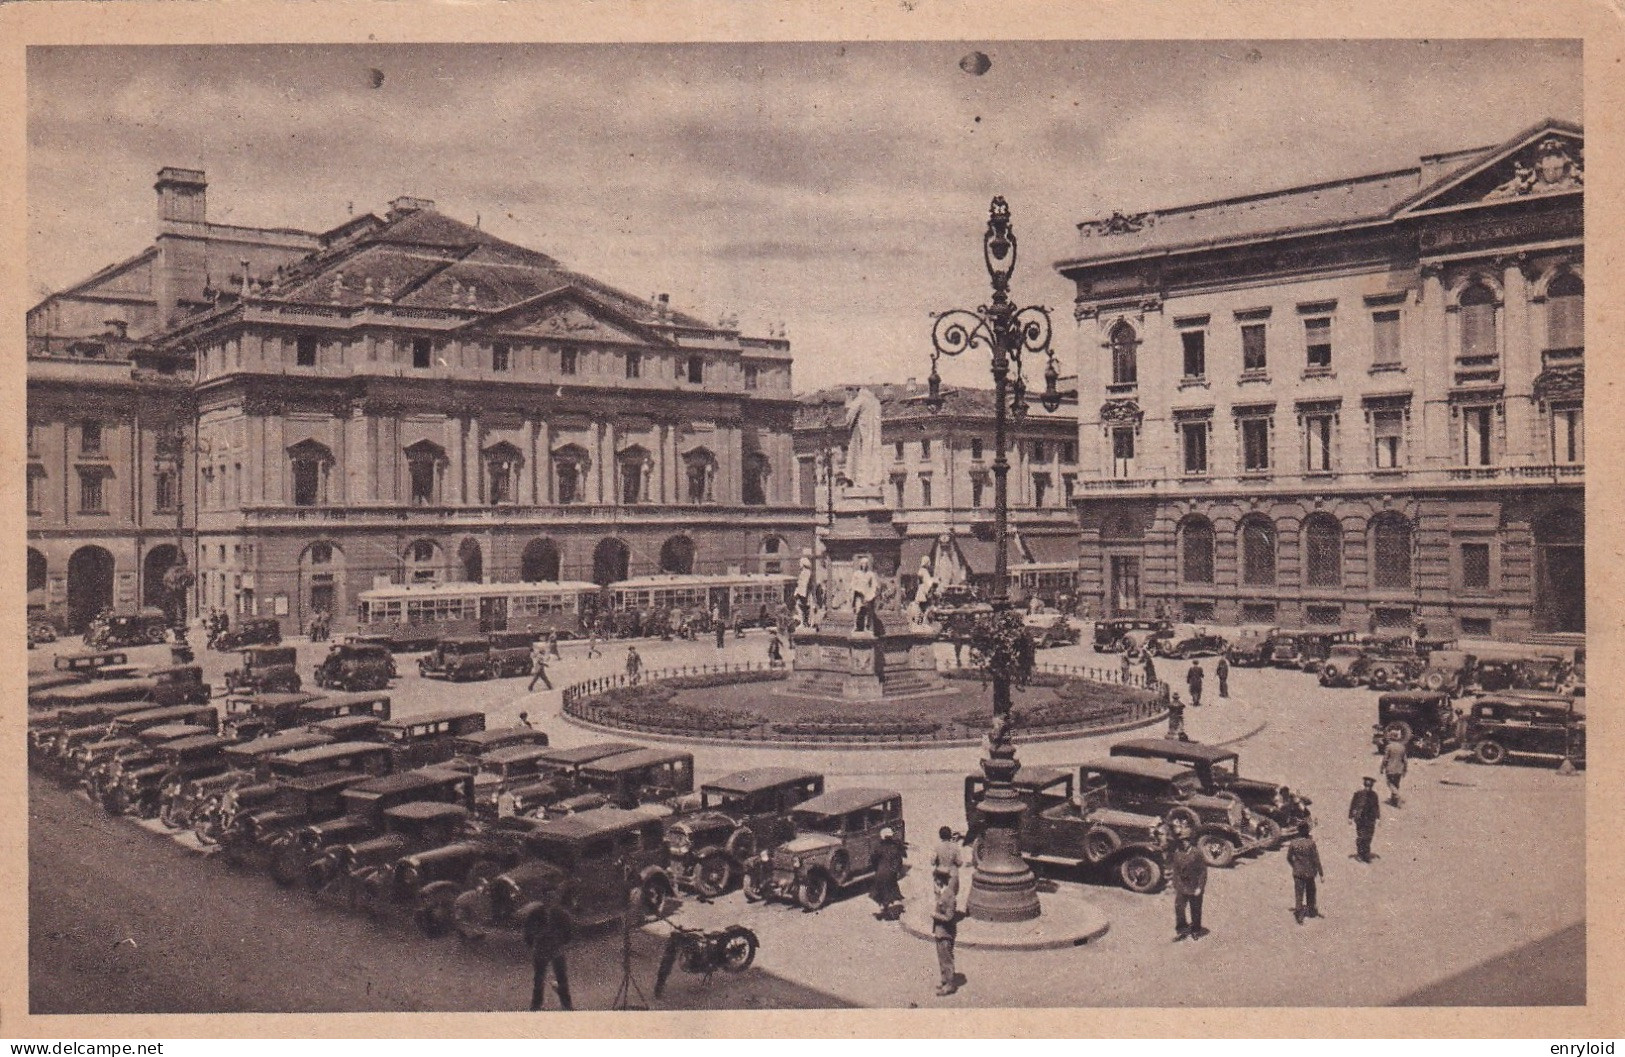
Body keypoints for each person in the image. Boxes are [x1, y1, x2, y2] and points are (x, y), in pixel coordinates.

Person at [1167, 819, 1209, 940]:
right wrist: (1175, 884)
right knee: (1179, 907)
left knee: (1195, 909)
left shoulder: (1197, 853)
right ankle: (1182, 929)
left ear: (1190, 841)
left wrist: (1199, 887)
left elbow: (1203, 872)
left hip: (1194, 886)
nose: (1183, 843)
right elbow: (1175, 870)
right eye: (1181, 841)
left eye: (1185, 840)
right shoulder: (1178, 853)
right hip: (1182, 886)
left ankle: (1196, 929)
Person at [527, 904, 574, 1011]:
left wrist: (563, 940)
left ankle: (566, 1005)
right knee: (539, 979)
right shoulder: (535, 913)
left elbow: (568, 930)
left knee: (561, 978)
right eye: (547, 895)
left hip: (556, 948)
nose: (550, 899)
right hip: (541, 949)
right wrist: (533, 941)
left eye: (552, 895)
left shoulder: (560, 913)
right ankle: (536, 1005)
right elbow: (528, 931)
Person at [1286, 820, 1325, 924]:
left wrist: (1294, 865)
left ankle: (1299, 916)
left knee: (1299, 894)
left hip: (1298, 872)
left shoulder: (1293, 843)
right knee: (1311, 891)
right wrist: (1321, 873)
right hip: (1309, 872)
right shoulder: (1311, 843)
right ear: (1307, 831)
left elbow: (1289, 857)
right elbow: (1316, 859)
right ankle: (1311, 910)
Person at [931, 866, 960, 997]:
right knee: (941, 958)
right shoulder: (942, 893)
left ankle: (949, 985)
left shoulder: (949, 896)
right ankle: (944, 980)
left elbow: (949, 917)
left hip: (946, 933)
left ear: (938, 881)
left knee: (946, 959)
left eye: (935, 880)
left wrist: (934, 915)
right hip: (940, 932)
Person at [869, 827, 905, 921]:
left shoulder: (879, 847)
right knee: (891, 889)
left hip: (881, 872)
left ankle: (885, 910)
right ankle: (890, 910)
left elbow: (873, 858)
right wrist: (897, 871)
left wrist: (876, 868)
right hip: (891, 872)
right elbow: (899, 861)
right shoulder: (895, 847)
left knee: (880, 891)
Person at [1348, 776, 1381, 862]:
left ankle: (1366, 855)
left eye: (1369, 787)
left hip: (1370, 820)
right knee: (1361, 836)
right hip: (1360, 819)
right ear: (1364, 785)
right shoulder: (1358, 794)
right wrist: (1350, 817)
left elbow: (1376, 807)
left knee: (1369, 837)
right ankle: (1360, 854)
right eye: (1366, 786)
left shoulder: (1374, 795)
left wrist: (1378, 818)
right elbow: (1353, 805)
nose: (1368, 788)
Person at [1381, 732, 1408, 808]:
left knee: (1390, 783)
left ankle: (1397, 796)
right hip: (1399, 769)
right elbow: (1405, 760)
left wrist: (1382, 767)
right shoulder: (1402, 747)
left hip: (1390, 769)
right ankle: (1393, 801)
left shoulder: (1389, 747)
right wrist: (1405, 770)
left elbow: (1385, 759)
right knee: (1396, 784)